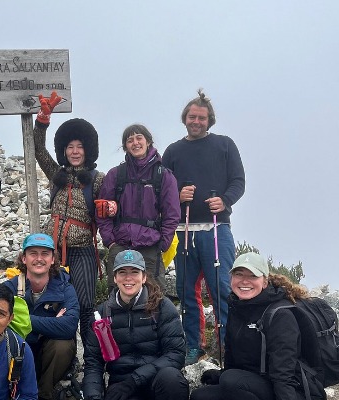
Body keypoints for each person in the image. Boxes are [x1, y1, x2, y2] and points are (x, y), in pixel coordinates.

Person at [162, 89, 245, 365]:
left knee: (223, 288)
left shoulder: (224, 145)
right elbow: (163, 190)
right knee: (187, 291)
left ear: (210, 121)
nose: (196, 121)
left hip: (216, 228)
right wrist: (176, 196)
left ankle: (229, 346)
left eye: (202, 117)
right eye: (191, 116)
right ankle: (194, 347)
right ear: (184, 118)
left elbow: (238, 181)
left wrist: (225, 200)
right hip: (184, 231)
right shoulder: (173, 151)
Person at [190, 252, 326, 400]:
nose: (244, 281)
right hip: (254, 384)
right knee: (200, 396)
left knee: (231, 380)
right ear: (231, 278)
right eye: (239, 274)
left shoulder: (279, 315)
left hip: (291, 388)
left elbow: (284, 373)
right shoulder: (236, 306)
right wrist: (221, 374)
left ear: (265, 282)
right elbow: (235, 359)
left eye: (253, 276)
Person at [33, 91, 105, 348]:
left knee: (86, 304)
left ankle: (90, 357)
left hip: (83, 250)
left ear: (88, 149)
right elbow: (38, 148)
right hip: (52, 252)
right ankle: (58, 354)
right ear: (64, 150)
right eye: (70, 147)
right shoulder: (55, 174)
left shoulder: (98, 179)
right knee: (52, 303)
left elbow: (107, 208)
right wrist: (43, 118)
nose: (75, 152)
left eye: (80, 147)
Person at [83, 250, 188, 400]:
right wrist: (93, 396)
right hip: (120, 387)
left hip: (156, 381)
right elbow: (93, 362)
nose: (128, 278)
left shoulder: (163, 307)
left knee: (172, 379)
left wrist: (134, 380)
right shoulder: (101, 314)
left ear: (144, 277)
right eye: (122, 272)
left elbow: (175, 355)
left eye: (134, 272)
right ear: (115, 278)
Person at [97, 124, 180, 291]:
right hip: (120, 244)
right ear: (125, 146)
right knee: (117, 295)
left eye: (139, 138)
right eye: (130, 140)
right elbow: (102, 210)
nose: (135, 143)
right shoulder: (116, 174)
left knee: (153, 297)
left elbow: (172, 214)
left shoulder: (164, 175)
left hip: (151, 245)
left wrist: (162, 244)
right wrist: (110, 241)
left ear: (148, 141)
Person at [3, 233, 80, 400]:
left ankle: (43, 394)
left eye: (45, 254)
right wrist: (52, 324)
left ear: (53, 259)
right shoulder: (9, 288)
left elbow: (68, 327)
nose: (39, 259)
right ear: (24, 258)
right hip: (18, 353)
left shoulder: (65, 288)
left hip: (47, 357)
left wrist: (21, 319)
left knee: (63, 345)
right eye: (33, 253)